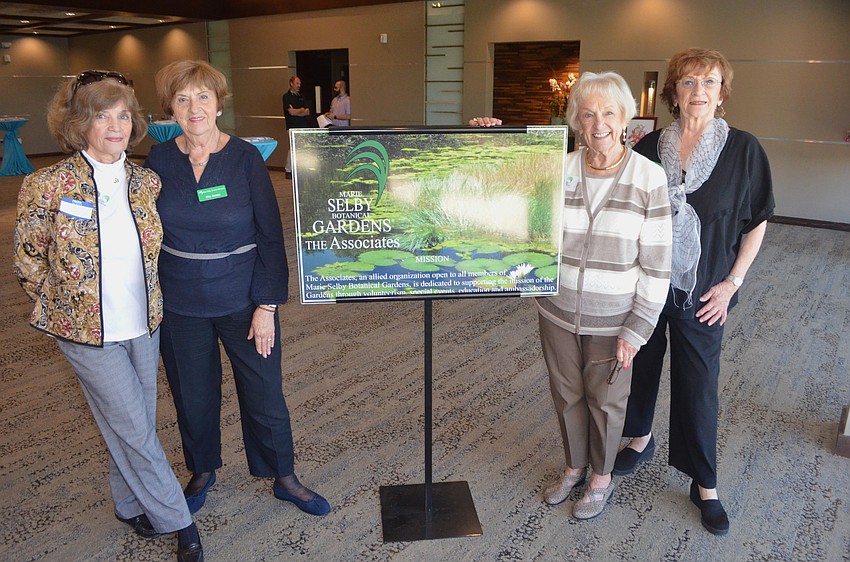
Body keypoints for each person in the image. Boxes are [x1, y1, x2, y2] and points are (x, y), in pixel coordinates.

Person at [13, 70, 203, 562]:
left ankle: (125, 502)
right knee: (136, 429)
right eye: (102, 116)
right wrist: (67, 308)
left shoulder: (145, 182)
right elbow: (28, 261)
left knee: (131, 420)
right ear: (80, 123)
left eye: (123, 116)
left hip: (143, 322)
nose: (115, 126)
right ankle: (178, 519)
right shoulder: (47, 185)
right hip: (85, 333)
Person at [472, 71, 672, 520]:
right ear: (576, 122)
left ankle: (601, 477)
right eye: (587, 114)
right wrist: (493, 143)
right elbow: (502, 196)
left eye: (608, 113)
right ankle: (574, 465)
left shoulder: (649, 178)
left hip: (616, 317)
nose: (597, 123)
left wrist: (637, 329)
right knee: (566, 393)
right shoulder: (559, 168)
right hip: (557, 309)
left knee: (606, 400)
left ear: (625, 119)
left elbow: (658, 265)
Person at [146, 60, 330, 518]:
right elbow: (144, 234)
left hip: (245, 299)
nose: (194, 108)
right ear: (170, 106)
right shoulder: (160, 159)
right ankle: (202, 468)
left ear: (218, 104)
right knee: (192, 393)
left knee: (264, 391)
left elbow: (270, 234)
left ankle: (283, 476)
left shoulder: (245, 157)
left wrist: (267, 305)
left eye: (203, 97)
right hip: (181, 301)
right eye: (183, 98)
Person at [612, 48, 775, 536]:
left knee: (698, 385)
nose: (698, 91)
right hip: (648, 286)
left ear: (722, 92)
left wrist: (732, 283)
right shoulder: (647, 148)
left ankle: (704, 483)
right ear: (673, 93)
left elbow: (757, 221)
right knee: (640, 365)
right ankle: (640, 439)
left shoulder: (744, 149)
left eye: (709, 82)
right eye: (687, 82)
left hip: (705, 293)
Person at [282, 76, 313, 176]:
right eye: (297, 83)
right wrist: (301, 110)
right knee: (293, 148)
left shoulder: (301, 96)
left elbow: (307, 111)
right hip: (292, 126)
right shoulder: (286, 97)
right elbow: (291, 112)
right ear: (291, 83)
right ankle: (288, 170)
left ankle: (299, 168)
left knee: (302, 148)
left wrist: (297, 111)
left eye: (299, 83)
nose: (299, 85)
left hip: (302, 126)